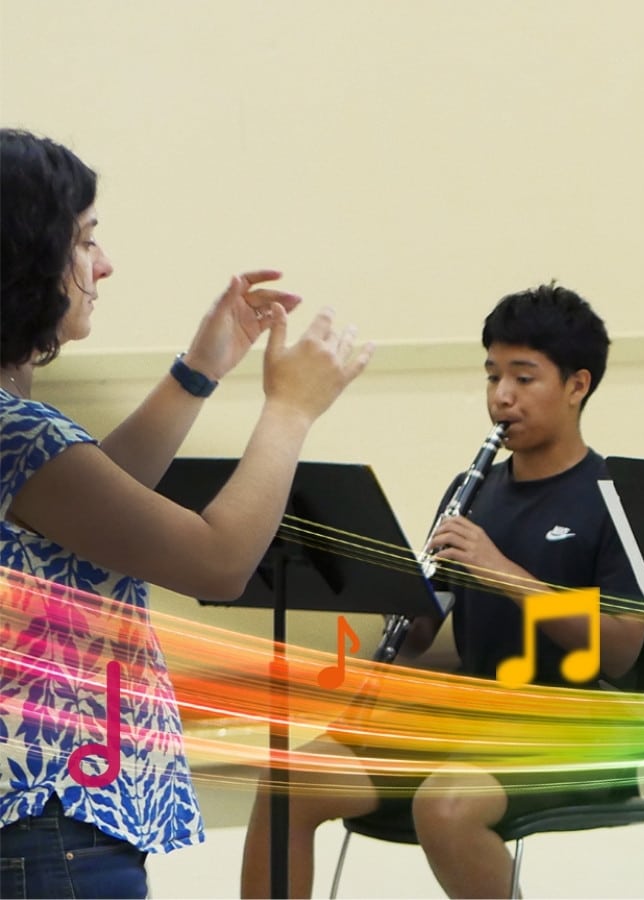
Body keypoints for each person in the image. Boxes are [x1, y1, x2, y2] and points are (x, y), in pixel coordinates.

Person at [0, 128, 373, 899]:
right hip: (53, 829)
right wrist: (290, 410)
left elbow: (98, 509)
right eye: (83, 241)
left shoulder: (20, 434)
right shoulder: (18, 432)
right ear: (26, 258)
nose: (102, 266)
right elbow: (217, 560)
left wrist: (200, 370)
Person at [239, 283, 644, 899]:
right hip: (471, 719)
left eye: (524, 378)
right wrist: (401, 608)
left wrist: (503, 574)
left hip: (573, 732)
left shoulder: (613, 498)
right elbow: (424, 635)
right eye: (493, 375)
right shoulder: (474, 489)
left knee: (444, 807)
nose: (501, 397)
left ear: (578, 385)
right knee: (291, 776)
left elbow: (624, 651)